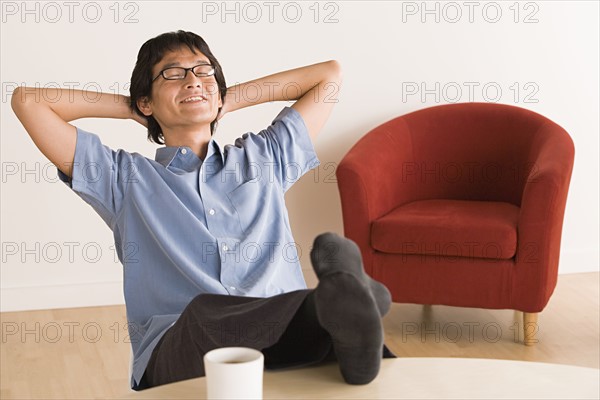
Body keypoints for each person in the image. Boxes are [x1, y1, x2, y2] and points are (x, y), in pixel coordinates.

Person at [11, 30, 392, 391]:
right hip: (184, 350)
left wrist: (223, 97)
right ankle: (341, 304)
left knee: (303, 318)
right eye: (173, 75)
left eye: (204, 71)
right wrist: (133, 107)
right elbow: (28, 102)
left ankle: (339, 314)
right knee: (204, 314)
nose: (193, 80)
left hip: (285, 330)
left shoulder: (265, 157)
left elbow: (328, 76)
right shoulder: (122, 178)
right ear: (146, 101)